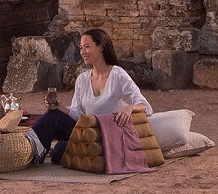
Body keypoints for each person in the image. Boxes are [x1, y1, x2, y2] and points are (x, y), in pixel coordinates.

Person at [30, 28, 150, 164]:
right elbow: (78, 113)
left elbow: (146, 107)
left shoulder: (118, 75)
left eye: (87, 47)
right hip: (87, 132)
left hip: (107, 136)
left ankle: (50, 149)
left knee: (59, 150)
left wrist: (129, 108)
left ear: (101, 47)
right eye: (81, 48)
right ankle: (28, 151)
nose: (83, 52)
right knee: (53, 115)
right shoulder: (82, 79)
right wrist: (60, 107)